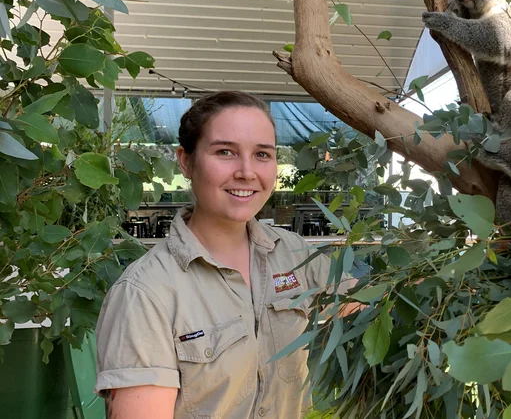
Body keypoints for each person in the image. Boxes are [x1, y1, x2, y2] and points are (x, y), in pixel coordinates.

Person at [95, 91, 354, 419]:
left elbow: (368, 302)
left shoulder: (295, 255)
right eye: (225, 152)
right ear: (186, 161)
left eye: (262, 154)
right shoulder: (145, 293)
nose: (247, 172)